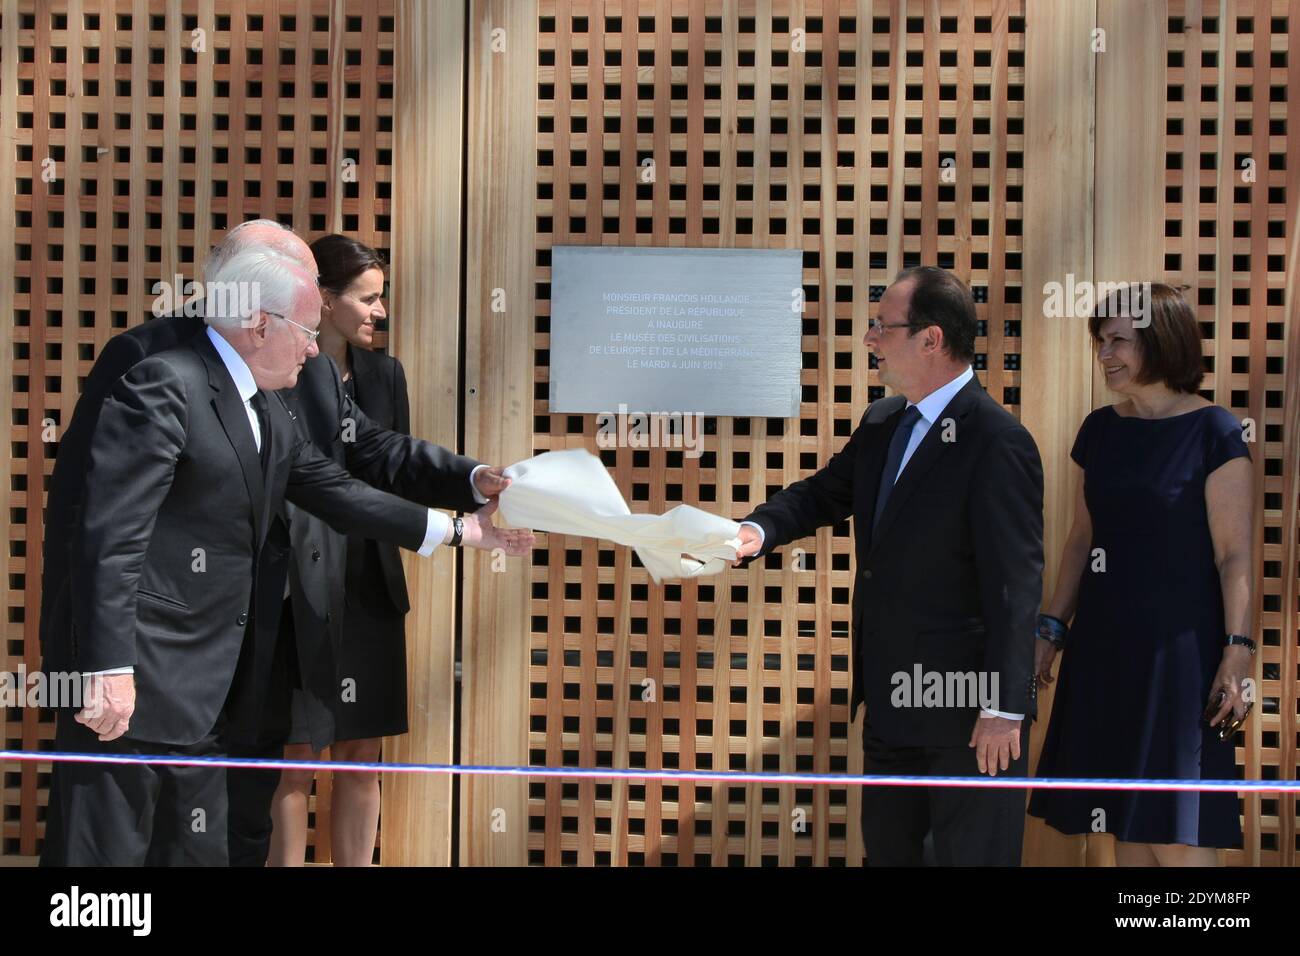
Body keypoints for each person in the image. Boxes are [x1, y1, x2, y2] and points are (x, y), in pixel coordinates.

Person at [40, 247, 533, 866]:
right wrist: (106, 665)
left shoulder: (267, 404)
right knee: (103, 863)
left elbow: (336, 488)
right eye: (305, 331)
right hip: (140, 676)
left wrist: (462, 531)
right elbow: (107, 535)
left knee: (197, 850)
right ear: (262, 325)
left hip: (217, 686)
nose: (312, 348)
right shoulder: (162, 379)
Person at [733, 265, 1044, 866]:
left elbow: (1015, 586)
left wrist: (1005, 709)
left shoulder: (996, 439)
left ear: (931, 339)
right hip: (891, 709)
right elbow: (823, 494)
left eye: (883, 326)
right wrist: (757, 529)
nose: (871, 339)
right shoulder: (883, 424)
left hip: (968, 715)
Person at [1028, 284, 1253, 865]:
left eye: (1119, 341)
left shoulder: (1216, 431)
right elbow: (1082, 540)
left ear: (1163, 341)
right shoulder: (1100, 429)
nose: (1105, 354)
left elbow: (1235, 554)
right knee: (1126, 827)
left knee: (1176, 831)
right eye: (1100, 341)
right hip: (1106, 648)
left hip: (1183, 658)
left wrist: (1238, 649)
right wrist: (1051, 630)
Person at [266, 234, 427, 865]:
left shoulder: (386, 374)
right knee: (296, 757)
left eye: (381, 298)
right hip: (299, 589)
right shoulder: (278, 370)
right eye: (367, 298)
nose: (378, 312)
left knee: (364, 756)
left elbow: (397, 467)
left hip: (367, 586)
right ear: (323, 299)